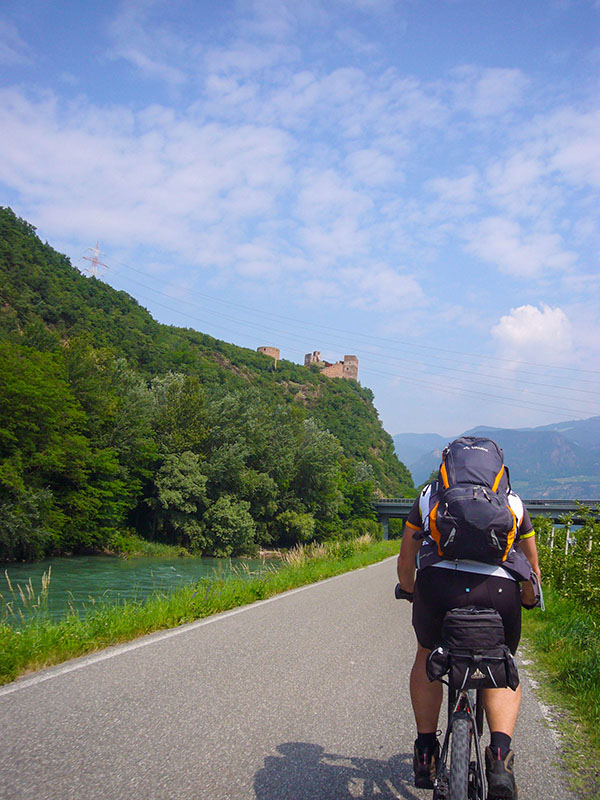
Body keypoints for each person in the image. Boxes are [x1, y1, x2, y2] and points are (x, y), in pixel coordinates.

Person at [396, 442, 541, 799]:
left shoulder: (429, 495)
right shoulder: (512, 501)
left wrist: (409, 589)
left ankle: (426, 751)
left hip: (437, 588)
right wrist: (528, 597)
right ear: (496, 470)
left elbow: (405, 558)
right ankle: (500, 757)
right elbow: (532, 566)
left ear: (449, 467)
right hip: (499, 592)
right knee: (501, 658)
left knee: (426, 653)